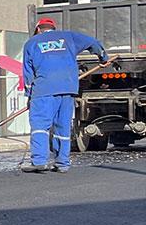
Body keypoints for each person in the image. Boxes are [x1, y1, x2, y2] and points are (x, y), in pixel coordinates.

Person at [20, 18, 109, 173]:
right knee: (63, 125)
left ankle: (39, 161)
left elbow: (28, 74)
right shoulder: (69, 37)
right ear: (53, 28)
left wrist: (29, 95)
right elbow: (92, 42)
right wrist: (103, 58)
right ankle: (62, 163)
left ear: (38, 29)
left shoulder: (32, 43)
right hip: (68, 88)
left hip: (44, 89)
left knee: (40, 125)